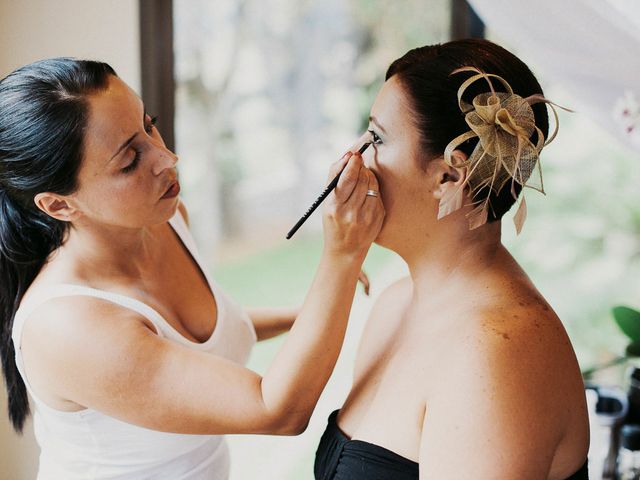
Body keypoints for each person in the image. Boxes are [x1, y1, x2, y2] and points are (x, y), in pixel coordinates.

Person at [0, 58, 384, 479]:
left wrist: (308, 312)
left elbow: (195, 342)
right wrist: (342, 257)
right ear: (58, 204)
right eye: (129, 161)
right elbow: (278, 412)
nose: (167, 157)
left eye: (150, 126)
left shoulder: (165, 218)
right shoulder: (68, 327)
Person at [314, 39, 590, 480]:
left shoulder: (497, 354)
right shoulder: (396, 304)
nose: (355, 159)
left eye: (377, 138)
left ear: (449, 176)